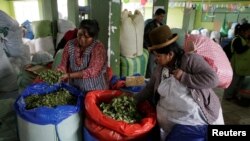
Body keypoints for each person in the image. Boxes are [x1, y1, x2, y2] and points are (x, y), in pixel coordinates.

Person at [135, 25, 224, 141]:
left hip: (193, 119)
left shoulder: (190, 60)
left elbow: (213, 79)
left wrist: (184, 77)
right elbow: (150, 88)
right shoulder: (161, 68)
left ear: (170, 54)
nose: (156, 60)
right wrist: (134, 100)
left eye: (158, 56)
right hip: (169, 119)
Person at [57, 19, 109, 92]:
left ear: (93, 37)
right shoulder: (70, 44)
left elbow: (92, 71)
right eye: (80, 34)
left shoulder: (98, 47)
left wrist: (69, 75)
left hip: (94, 89)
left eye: (86, 37)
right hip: (74, 88)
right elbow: (63, 64)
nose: (82, 38)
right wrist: (60, 71)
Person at [223, 23, 250, 100]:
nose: (249, 33)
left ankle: (234, 94)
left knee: (240, 82)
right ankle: (228, 96)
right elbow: (239, 50)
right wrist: (248, 45)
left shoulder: (246, 39)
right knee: (233, 81)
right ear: (242, 31)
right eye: (248, 31)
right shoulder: (237, 39)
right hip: (236, 64)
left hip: (243, 65)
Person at [143, 8, 166, 78]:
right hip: (151, 50)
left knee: (158, 67)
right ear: (156, 15)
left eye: (163, 16)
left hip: (160, 50)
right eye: (161, 16)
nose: (162, 18)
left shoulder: (162, 25)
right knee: (150, 67)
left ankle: (156, 80)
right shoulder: (149, 25)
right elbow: (145, 38)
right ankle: (149, 81)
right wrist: (149, 48)